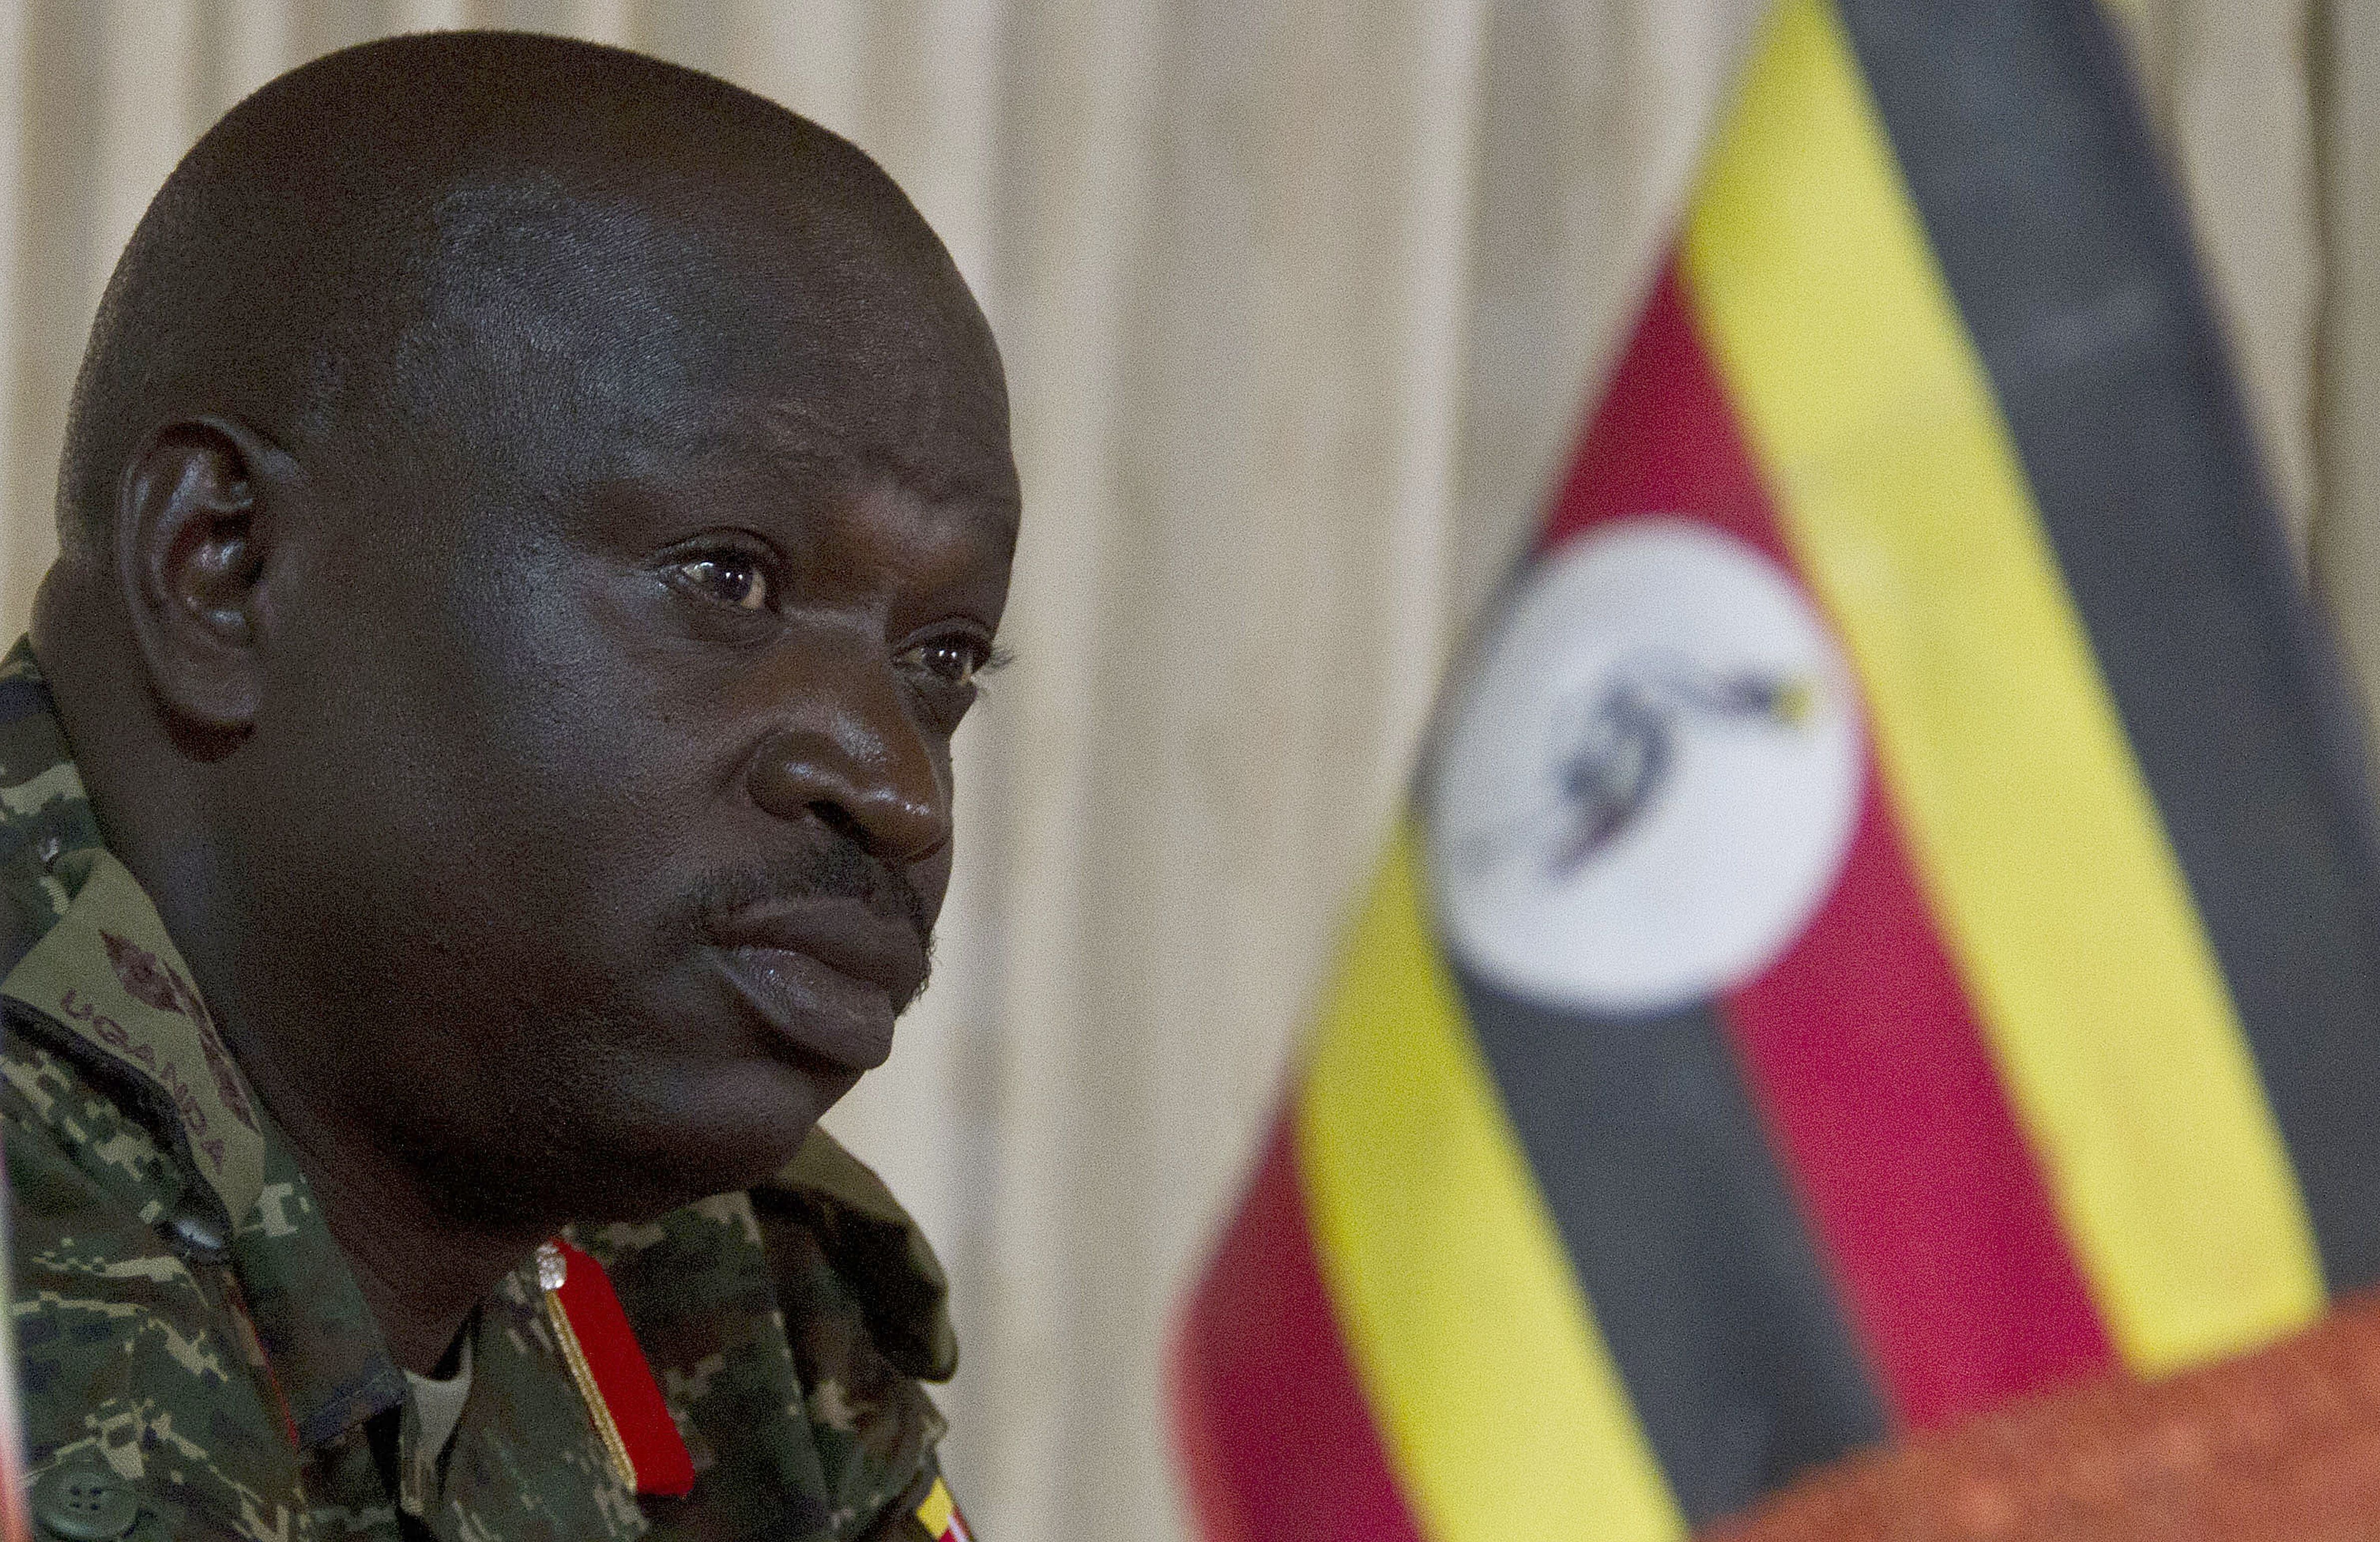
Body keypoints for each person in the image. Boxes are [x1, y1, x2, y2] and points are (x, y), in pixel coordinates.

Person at [1, 28, 1015, 1542]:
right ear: (223, 566)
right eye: (727, 582)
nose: (896, 789)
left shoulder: (722, 1278)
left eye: (942, 664)